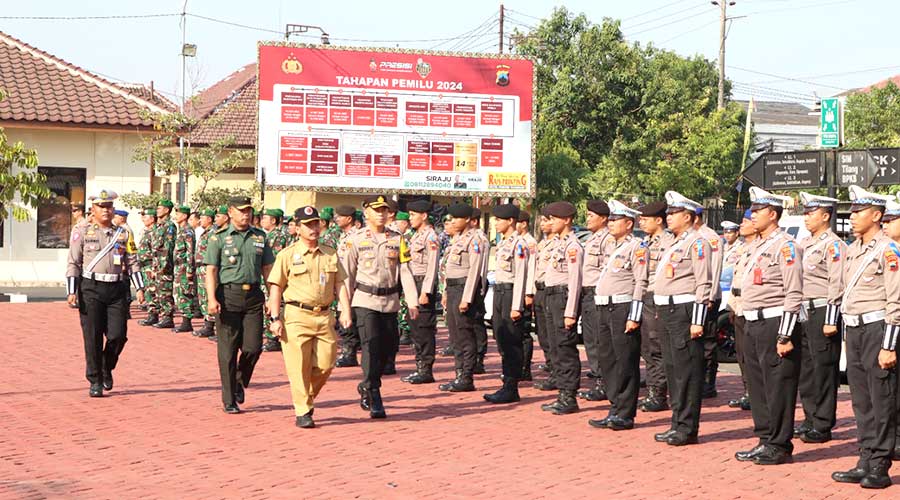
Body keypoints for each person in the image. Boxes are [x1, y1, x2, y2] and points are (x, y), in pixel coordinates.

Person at [831, 186, 898, 489]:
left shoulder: (888, 249)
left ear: (876, 215)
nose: (853, 217)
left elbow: (896, 299)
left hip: (876, 330)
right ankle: (865, 458)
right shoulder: (853, 249)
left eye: (859, 211)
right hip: (854, 329)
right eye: (852, 212)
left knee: (881, 398)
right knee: (861, 400)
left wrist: (889, 345)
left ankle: (880, 464)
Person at [267, 206, 352, 428]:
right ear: (297, 228)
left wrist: (345, 309)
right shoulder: (287, 255)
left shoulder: (330, 253)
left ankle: (306, 396)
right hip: (296, 316)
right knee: (298, 367)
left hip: (324, 316)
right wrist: (274, 318)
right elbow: (276, 287)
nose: (313, 228)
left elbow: (340, 283)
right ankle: (303, 410)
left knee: (326, 363)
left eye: (316, 223)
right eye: (307, 225)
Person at [734, 187, 802, 466]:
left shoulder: (786, 246)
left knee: (777, 386)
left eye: (758, 210)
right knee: (758, 385)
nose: (752, 215)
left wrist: (785, 334)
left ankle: (779, 444)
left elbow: (794, 292)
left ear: (772, 214)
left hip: (774, 321)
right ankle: (765, 438)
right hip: (752, 321)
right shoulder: (755, 245)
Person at [343, 195, 418, 418]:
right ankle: (373, 390)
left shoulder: (397, 239)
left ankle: (367, 383)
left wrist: (412, 301)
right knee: (371, 345)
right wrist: (344, 308)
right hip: (365, 300)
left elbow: (405, 271)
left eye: (384, 210)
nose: (381, 214)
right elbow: (347, 276)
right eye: (376, 210)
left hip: (390, 302)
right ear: (366, 213)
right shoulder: (355, 240)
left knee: (387, 350)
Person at [66, 190, 145, 397]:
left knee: (118, 335)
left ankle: (106, 366)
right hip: (91, 288)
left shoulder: (123, 233)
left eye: (108, 206)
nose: (105, 210)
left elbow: (133, 262)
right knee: (92, 336)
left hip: (116, 289)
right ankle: (95, 380)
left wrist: (140, 287)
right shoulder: (82, 231)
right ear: (93, 209)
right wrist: (71, 290)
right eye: (101, 206)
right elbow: (73, 262)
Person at [649, 191, 712, 446]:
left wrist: (698, 320)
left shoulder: (697, 242)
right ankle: (676, 422)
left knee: (686, 371)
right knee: (673, 369)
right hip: (667, 310)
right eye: (669, 213)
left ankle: (687, 427)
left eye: (674, 213)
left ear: (687, 216)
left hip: (684, 311)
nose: (669, 217)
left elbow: (703, 283)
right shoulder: (674, 242)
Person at [204, 196, 275, 414]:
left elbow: (267, 269)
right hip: (228, 296)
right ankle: (229, 400)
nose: (246, 214)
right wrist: (211, 298)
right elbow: (211, 270)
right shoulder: (218, 238)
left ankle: (239, 380)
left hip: (253, 296)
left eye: (248, 211)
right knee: (228, 351)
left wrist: (272, 297)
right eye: (241, 211)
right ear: (231, 212)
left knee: (253, 347)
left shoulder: (259, 237)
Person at [587, 200, 644, 430]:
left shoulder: (636, 247)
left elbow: (640, 281)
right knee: (607, 360)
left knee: (625, 361)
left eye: (615, 219)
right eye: (609, 219)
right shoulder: (611, 245)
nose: (610, 223)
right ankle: (614, 407)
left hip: (622, 307)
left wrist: (634, 316)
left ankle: (625, 413)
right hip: (603, 306)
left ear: (628, 223)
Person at [794, 192, 846, 444]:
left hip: (823, 310)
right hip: (803, 310)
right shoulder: (804, 243)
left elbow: (837, 283)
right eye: (805, 213)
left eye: (811, 213)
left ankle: (823, 423)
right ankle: (809, 417)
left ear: (825, 216)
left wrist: (831, 319)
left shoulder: (833, 245)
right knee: (806, 368)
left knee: (823, 368)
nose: (806, 217)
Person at [539, 201, 583, 415]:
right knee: (555, 346)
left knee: (565, 347)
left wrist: (571, 312)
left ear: (566, 220)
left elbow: (575, 280)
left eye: (554, 219)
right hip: (550, 296)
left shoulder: (573, 246)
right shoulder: (557, 244)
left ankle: (569, 396)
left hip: (562, 298)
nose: (551, 222)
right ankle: (562, 393)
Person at [484, 203, 530, 404]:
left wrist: (517, 305)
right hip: (500, 292)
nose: (495, 223)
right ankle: (506, 383)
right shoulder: (503, 243)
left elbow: (521, 275)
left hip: (511, 293)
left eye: (499, 220)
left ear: (510, 221)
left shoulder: (519, 244)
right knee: (501, 337)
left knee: (511, 341)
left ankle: (511, 386)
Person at [439, 202, 485, 392]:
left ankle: (466, 376)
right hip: (452, 289)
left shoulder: (475, 240)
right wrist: (445, 292)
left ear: (467, 219)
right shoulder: (457, 239)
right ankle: (459, 374)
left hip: (464, 289)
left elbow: (475, 271)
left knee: (465, 334)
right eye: (452, 218)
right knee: (455, 334)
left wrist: (467, 298)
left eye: (457, 218)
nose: (453, 222)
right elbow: (449, 269)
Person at [637, 201, 672, 413]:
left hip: (656, 296)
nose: (641, 222)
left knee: (656, 345)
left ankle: (659, 394)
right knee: (646, 347)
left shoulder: (669, 242)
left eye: (645, 219)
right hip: (642, 296)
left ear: (659, 220)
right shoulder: (644, 242)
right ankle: (652, 390)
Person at [401, 200, 440, 385]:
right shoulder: (415, 235)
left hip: (423, 283)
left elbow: (432, 266)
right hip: (412, 283)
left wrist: (426, 291)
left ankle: (426, 369)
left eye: (413, 215)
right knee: (415, 327)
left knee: (424, 328)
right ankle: (419, 366)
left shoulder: (430, 237)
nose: (410, 218)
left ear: (424, 216)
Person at [577, 200, 612, 401]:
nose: (587, 219)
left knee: (599, 341)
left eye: (591, 216)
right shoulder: (591, 239)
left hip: (598, 294)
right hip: (587, 294)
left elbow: (607, 271)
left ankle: (604, 383)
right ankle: (599, 378)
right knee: (590, 339)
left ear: (603, 218)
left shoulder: (607, 239)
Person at [726, 210, 756, 411]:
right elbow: (736, 281)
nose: (742, 224)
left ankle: (755, 393)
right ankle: (748, 391)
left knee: (752, 354)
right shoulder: (744, 249)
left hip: (752, 307)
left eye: (746, 221)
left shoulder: (761, 248)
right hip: (739, 306)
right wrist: (732, 305)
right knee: (741, 353)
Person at [695, 208, 725, 399]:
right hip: (693, 297)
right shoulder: (687, 237)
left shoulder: (710, 237)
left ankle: (708, 382)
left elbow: (714, 268)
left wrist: (710, 296)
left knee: (707, 340)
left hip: (708, 297)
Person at [530, 214, 558, 388]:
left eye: (546, 220)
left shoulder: (558, 244)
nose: (542, 224)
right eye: (541, 220)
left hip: (551, 291)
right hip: (539, 290)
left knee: (552, 334)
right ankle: (550, 365)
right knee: (542, 333)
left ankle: (556, 372)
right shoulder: (541, 244)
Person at [334, 204, 362, 367]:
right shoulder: (344, 236)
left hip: (352, 284)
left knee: (349, 318)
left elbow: (351, 266)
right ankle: (348, 352)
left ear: (349, 219)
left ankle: (349, 353)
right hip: (343, 282)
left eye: (340, 216)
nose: (336, 219)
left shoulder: (355, 237)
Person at [143, 199, 177, 329]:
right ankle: (158, 315)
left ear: (167, 210)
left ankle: (168, 317)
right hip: (156, 264)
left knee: (165, 292)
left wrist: (164, 266)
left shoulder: (169, 226)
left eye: (160, 208)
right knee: (157, 291)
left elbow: (168, 247)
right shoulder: (158, 226)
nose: (157, 210)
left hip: (164, 265)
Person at [261, 208, 288, 352]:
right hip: (270, 276)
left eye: (265, 218)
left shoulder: (276, 236)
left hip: (273, 277)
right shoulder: (271, 235)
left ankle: (273, 338)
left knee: (272, 305)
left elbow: (274, 260)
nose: (262, 221)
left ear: (273, 220)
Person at [517, 210, 538, 381]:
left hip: (524, 291)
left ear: (523, 224)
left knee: (524, 331)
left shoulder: (530, 243)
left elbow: (531, 269)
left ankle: (525, 368)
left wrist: (529, 292)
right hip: (515, 291)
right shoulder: (516, 241)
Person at [469, 208, 491, 374]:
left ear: (473, 221)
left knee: (477, 322)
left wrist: (480, 287)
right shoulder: (466, 238)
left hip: (477, 283)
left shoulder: (479, 239)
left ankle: (479, 357)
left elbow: (479, 267)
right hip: (467, 283)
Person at [193, 208, 217, 338]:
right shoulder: (205, 232)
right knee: (203, 296)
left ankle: (212, 325)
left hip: (208, 268)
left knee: (209, 296)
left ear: (209, 219)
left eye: (202, 218)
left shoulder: (213, 233)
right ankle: (208, 324)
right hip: (201, 268)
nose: (200, 220)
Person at [172, 205, 196, 333]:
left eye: (178, 214)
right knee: (179, 293)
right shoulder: (181, 230)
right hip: (178, 266)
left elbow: (190, 251)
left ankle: (187, 322)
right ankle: (184, 320)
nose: (176, 216)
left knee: (185, 293)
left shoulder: (187, 231)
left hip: (184, 267)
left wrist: (189, 269)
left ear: (185, 216)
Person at [395, 211, 414, 347]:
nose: (396, 226)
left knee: (406, 304)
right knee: (400, 305)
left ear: (405, 223)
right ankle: (402, 330)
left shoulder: (409, 237)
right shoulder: (401, 237)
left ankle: (407, 331)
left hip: (409, 275)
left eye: (398, 223)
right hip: (399, 276)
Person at [137, 208, 157, 315]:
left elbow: (156, 251)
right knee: (147, 290)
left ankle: (153, 314)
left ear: (152, 218)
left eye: (145, 216)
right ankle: (151, 313)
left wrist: (154, 268)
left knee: (152, 290)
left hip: (150, 264)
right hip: (144, 265)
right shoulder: (146, 231)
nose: (143, 219)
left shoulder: (155, 232)